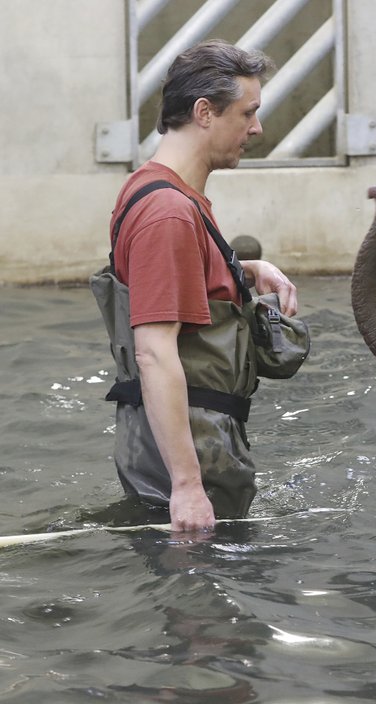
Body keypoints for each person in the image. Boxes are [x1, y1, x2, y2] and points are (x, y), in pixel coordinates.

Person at [97, 40, 299, 534]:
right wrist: (188, 487)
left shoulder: (155, 189)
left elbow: (172, 283)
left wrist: (244, 269)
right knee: (199, 601)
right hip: (188, 458)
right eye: (247, 113)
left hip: (183, 442)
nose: (256, 128)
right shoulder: (168, 213)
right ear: (204, 112)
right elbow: (155, 353)